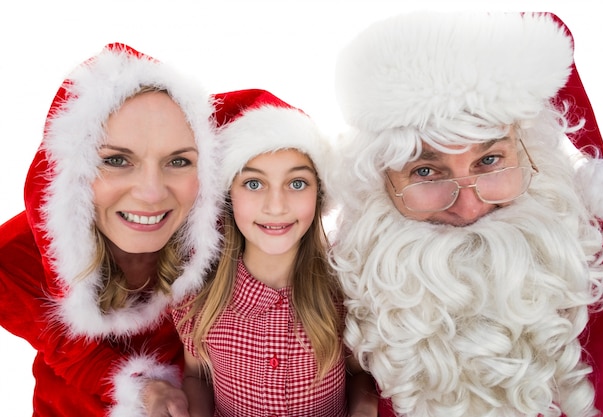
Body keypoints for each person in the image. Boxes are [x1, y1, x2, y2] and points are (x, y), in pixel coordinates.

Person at [328, 11, 603, 417]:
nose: (469, 208)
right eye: (426, 171)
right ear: (380, 185)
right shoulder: (340, 301)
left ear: (529, 157)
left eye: (489, 161)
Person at [0, 43, 223, 416]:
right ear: (71, 173)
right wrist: (145, 391)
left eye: (179, 160)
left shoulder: (224, 234)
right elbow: (72, 352)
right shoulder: (16, 260)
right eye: (117, 160)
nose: (151, 193)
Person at [171, 88, 378, 416]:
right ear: (229, 196)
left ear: (319, 194)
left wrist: (364, 408)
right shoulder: (199, 298)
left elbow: (359, 372)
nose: (276, 206)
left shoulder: (344, 290)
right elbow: (197, 374)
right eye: (254, 183)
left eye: (297, 183)